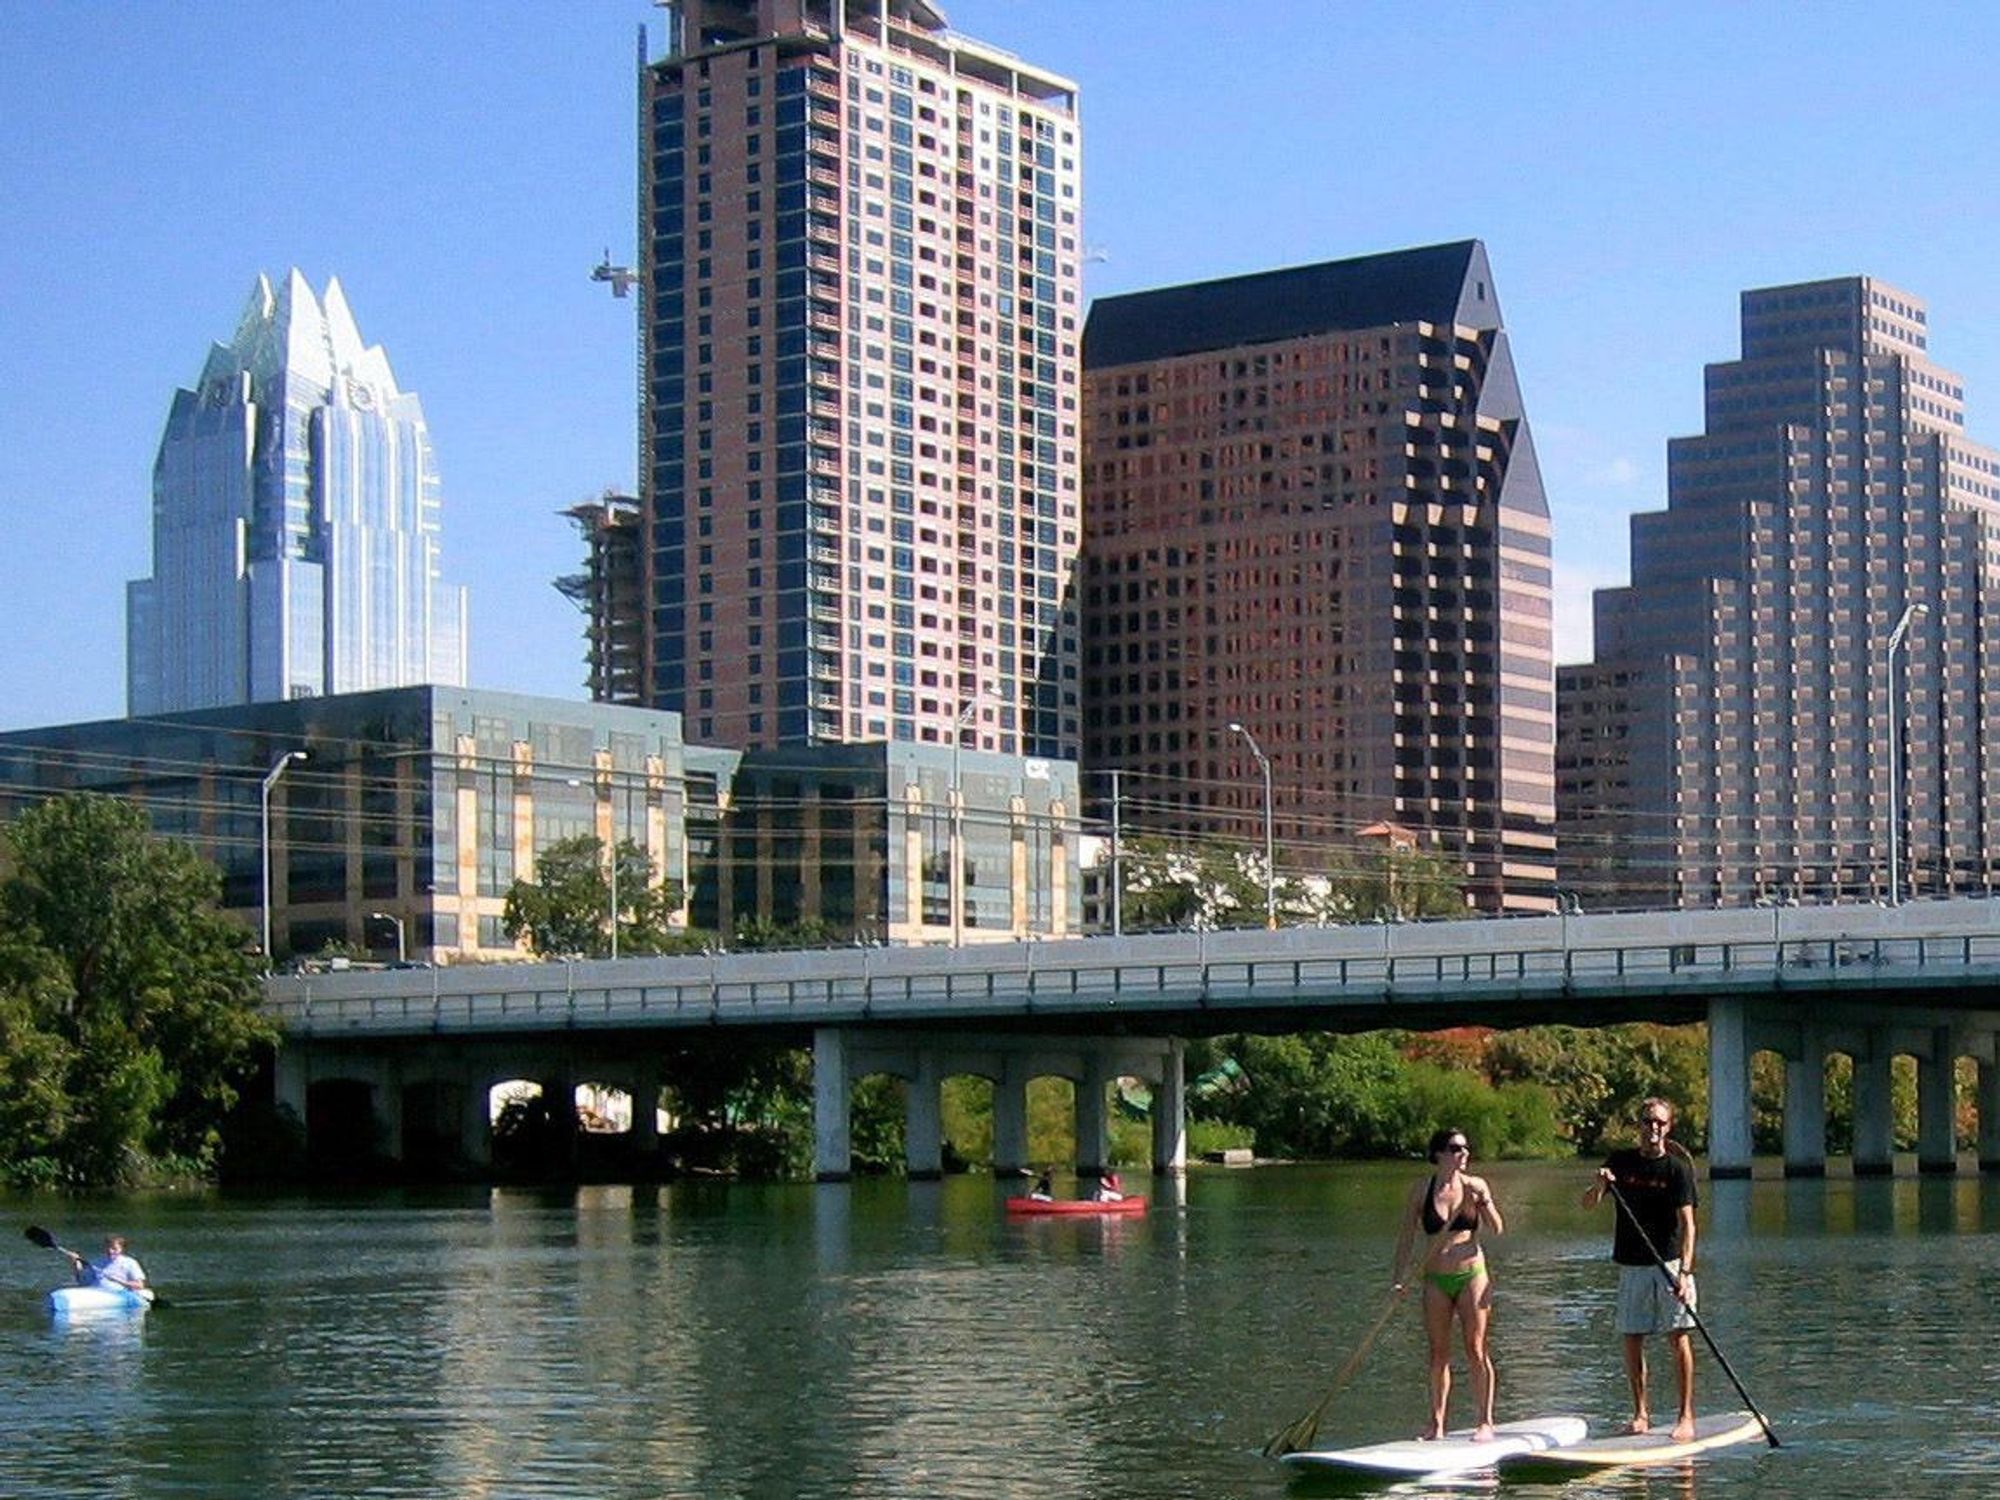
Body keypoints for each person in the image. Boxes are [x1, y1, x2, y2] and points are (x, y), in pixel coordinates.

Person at [1583, 1096, 1698, 1441]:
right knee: (1632, 1340)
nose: (1654, 1128)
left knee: (1678, 1339)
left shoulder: (1678, 1169)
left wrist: (1685, 1273)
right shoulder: (1620, 1162)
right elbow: (1588, 1204)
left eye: (1660, 1123)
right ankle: (1640, 1415)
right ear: (1639, 1125)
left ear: (1669, 1127)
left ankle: (1686, 1415)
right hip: (1632, 1264)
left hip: (1669, 1264)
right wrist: (1601, 1184)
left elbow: (1689, 1225)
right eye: (1648, 1122)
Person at [1392, 1127, 1504, 1441]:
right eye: (1456, 1149)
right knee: (1438, 1353)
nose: (1463, 1154)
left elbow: (1497, 1228)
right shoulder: (1421, 1190)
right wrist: (1397, 1281)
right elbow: (1405, 1239)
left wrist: (1485, 1204)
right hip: (1435, 1280)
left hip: (1471, 1276)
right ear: (1439, 1154)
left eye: (1466, 1148)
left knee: (1475, 1348)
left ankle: (1485, 1422)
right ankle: (1436, 1424)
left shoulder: (1475, 1185)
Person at [67, 1234, 147, 1292]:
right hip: (95, 1292)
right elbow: (83, 1282)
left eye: (114, 1249)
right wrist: (75, 1263)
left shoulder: (130, 1263)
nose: (110, 1251)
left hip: (119, 1293)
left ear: (121, 1249)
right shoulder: (96, 1262)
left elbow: (140, 1285)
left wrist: (120, 1282)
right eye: (108, 1248)